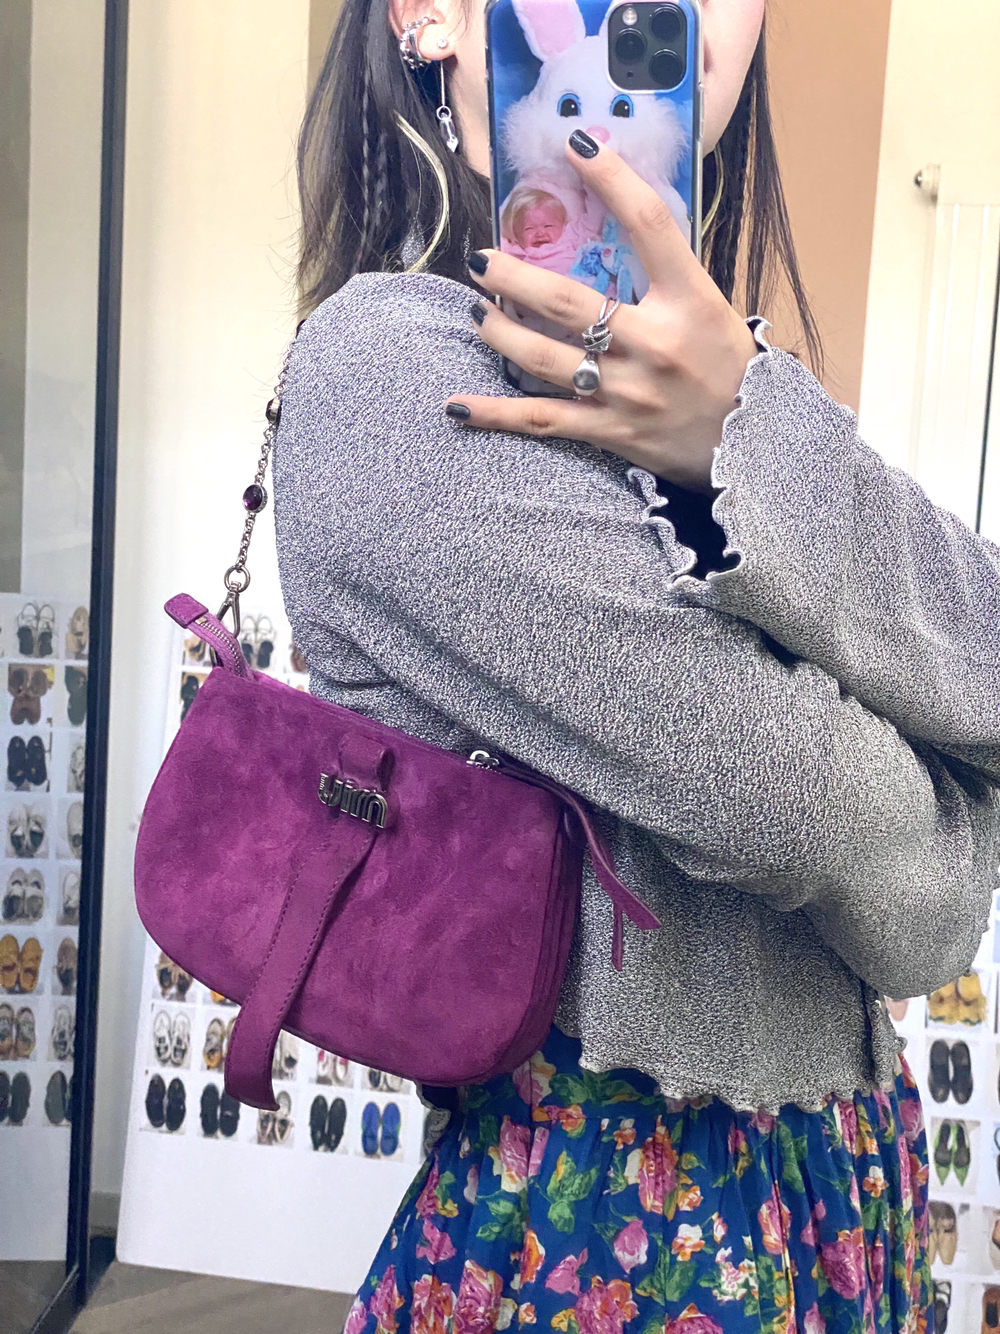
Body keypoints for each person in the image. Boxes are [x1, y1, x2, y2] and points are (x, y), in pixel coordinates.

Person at [274, 0, 1000, 1329]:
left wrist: (740, 429)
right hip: (605, 1243)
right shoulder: (384, 372)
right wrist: (954, 817)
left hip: (845, 1200)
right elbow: (842, 837)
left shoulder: (734, 404)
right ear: (429, 16)